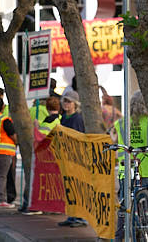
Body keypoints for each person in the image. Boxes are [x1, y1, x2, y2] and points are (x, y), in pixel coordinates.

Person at [112, 90, 148, 241]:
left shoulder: (120, 123)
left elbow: (117, 142)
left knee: (124, 205)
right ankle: (146, 233)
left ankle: (119, 236)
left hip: (127, 168)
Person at [57, 90, 87, 227]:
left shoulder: (78, 119)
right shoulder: (63, 118)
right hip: (65, 157)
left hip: (75, 158)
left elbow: (79, 138)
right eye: (64, 101)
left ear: (75, 103)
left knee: (76, 187)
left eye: (68, 101)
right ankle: (71, 215)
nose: (66, 104)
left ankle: (80, 217)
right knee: (68, 187)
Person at [0, 87, 16, 204]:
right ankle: (1, 199)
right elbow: (10, 131)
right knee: (3, 176)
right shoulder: (3, 117)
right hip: (4, 150)